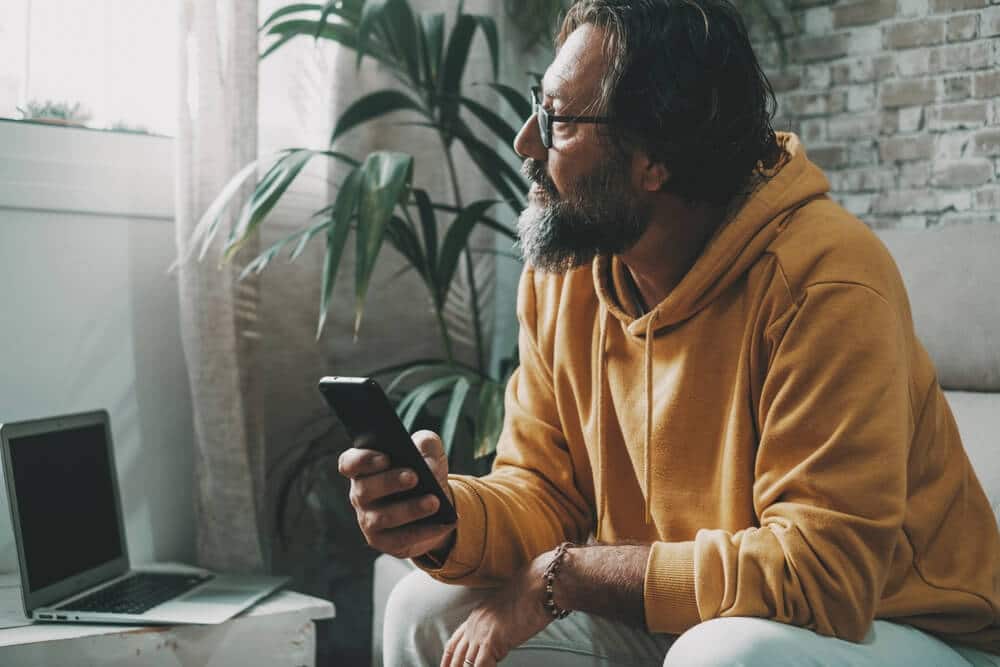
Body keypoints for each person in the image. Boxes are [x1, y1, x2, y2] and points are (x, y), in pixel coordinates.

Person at [338, 1, 1000, 665]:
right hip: (695, 613)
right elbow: (542, 490)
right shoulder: (568, 274)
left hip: (910, 631)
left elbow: (821, 573)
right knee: (423, 611)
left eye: (557, 120)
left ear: (654, 156)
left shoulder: (826, 281)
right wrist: (447, 519)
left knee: (724, 655)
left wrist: (566, 575)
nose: (526, 142)